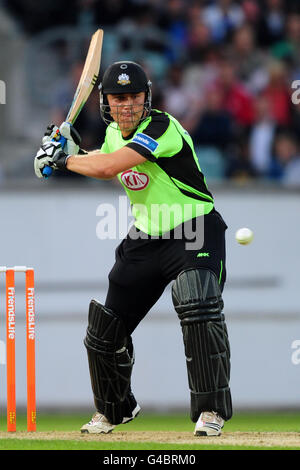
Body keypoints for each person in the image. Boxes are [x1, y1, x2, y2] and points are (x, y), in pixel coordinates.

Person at [34, 61, 232, 437]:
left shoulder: (162, 127)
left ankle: (210, 411)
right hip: (146, 238)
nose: (126, 105)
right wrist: (65, 152)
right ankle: (114, 410)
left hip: (194, 230)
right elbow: (101, 159)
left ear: (146, 98)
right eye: (118, 98)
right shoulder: (112, 134)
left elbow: (110, 167)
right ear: (106, 102)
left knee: (198, 304)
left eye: (133, 97)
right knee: (105, 329)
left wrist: (62, 159)